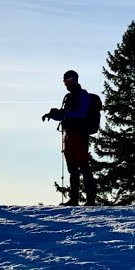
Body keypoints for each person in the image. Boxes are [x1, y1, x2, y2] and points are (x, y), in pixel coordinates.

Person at [42, 69, 98, 206]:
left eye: (68, 81)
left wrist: (64, 113)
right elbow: (66, 115)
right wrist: (53, 115)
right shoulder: (69, 97)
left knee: (83, 166)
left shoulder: (83, 95)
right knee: (72, 168)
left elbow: (82, 113)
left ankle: (90, 200)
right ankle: (74, 199)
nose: (66, 84)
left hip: (80, 134)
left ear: (74, 80)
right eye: (65, 82)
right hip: (69, 134)